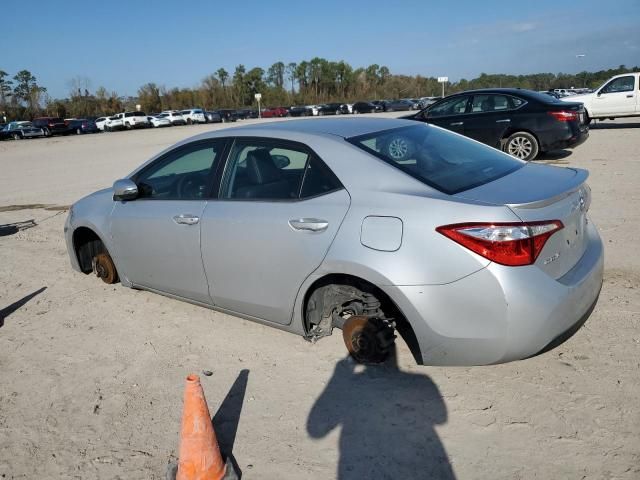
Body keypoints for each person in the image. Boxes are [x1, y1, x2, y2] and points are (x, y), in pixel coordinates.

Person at [307, 347, 455, 479]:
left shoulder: (358, 382)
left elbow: (315, 430)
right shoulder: (423, 380)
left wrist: (340, 373)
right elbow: (441, 418)